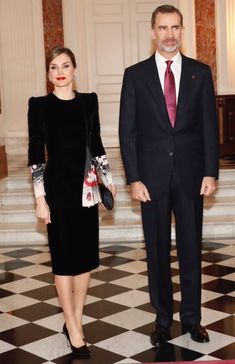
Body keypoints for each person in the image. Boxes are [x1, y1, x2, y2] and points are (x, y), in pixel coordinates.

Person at [119, 4, 219, 347]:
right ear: (152, 32)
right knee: (158, 252)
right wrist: (134, 178)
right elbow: (127, 132)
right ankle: (163, 319)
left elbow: (209, 126)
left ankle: (192, 319)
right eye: (163, 28)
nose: (169, 35)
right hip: (151, 180)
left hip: (192, 178)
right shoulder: (135, 75)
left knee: (191, 249)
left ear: (182, 31)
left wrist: (210, 171)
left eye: (175, 28)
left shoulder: (200, 73)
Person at [27, 46, 116, 357]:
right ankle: (73, 326)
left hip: (86, 190)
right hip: (56, 190)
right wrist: (40, 198)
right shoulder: (39, 106)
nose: (60, 71)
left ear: (75, 69)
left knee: (85, 259)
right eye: (54, 67)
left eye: (65, 65)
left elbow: (97, 142)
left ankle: (75, 319)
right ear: (48, 73)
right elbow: (36, 155)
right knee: (64, 261)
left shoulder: (88, 101)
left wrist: (109, 181)